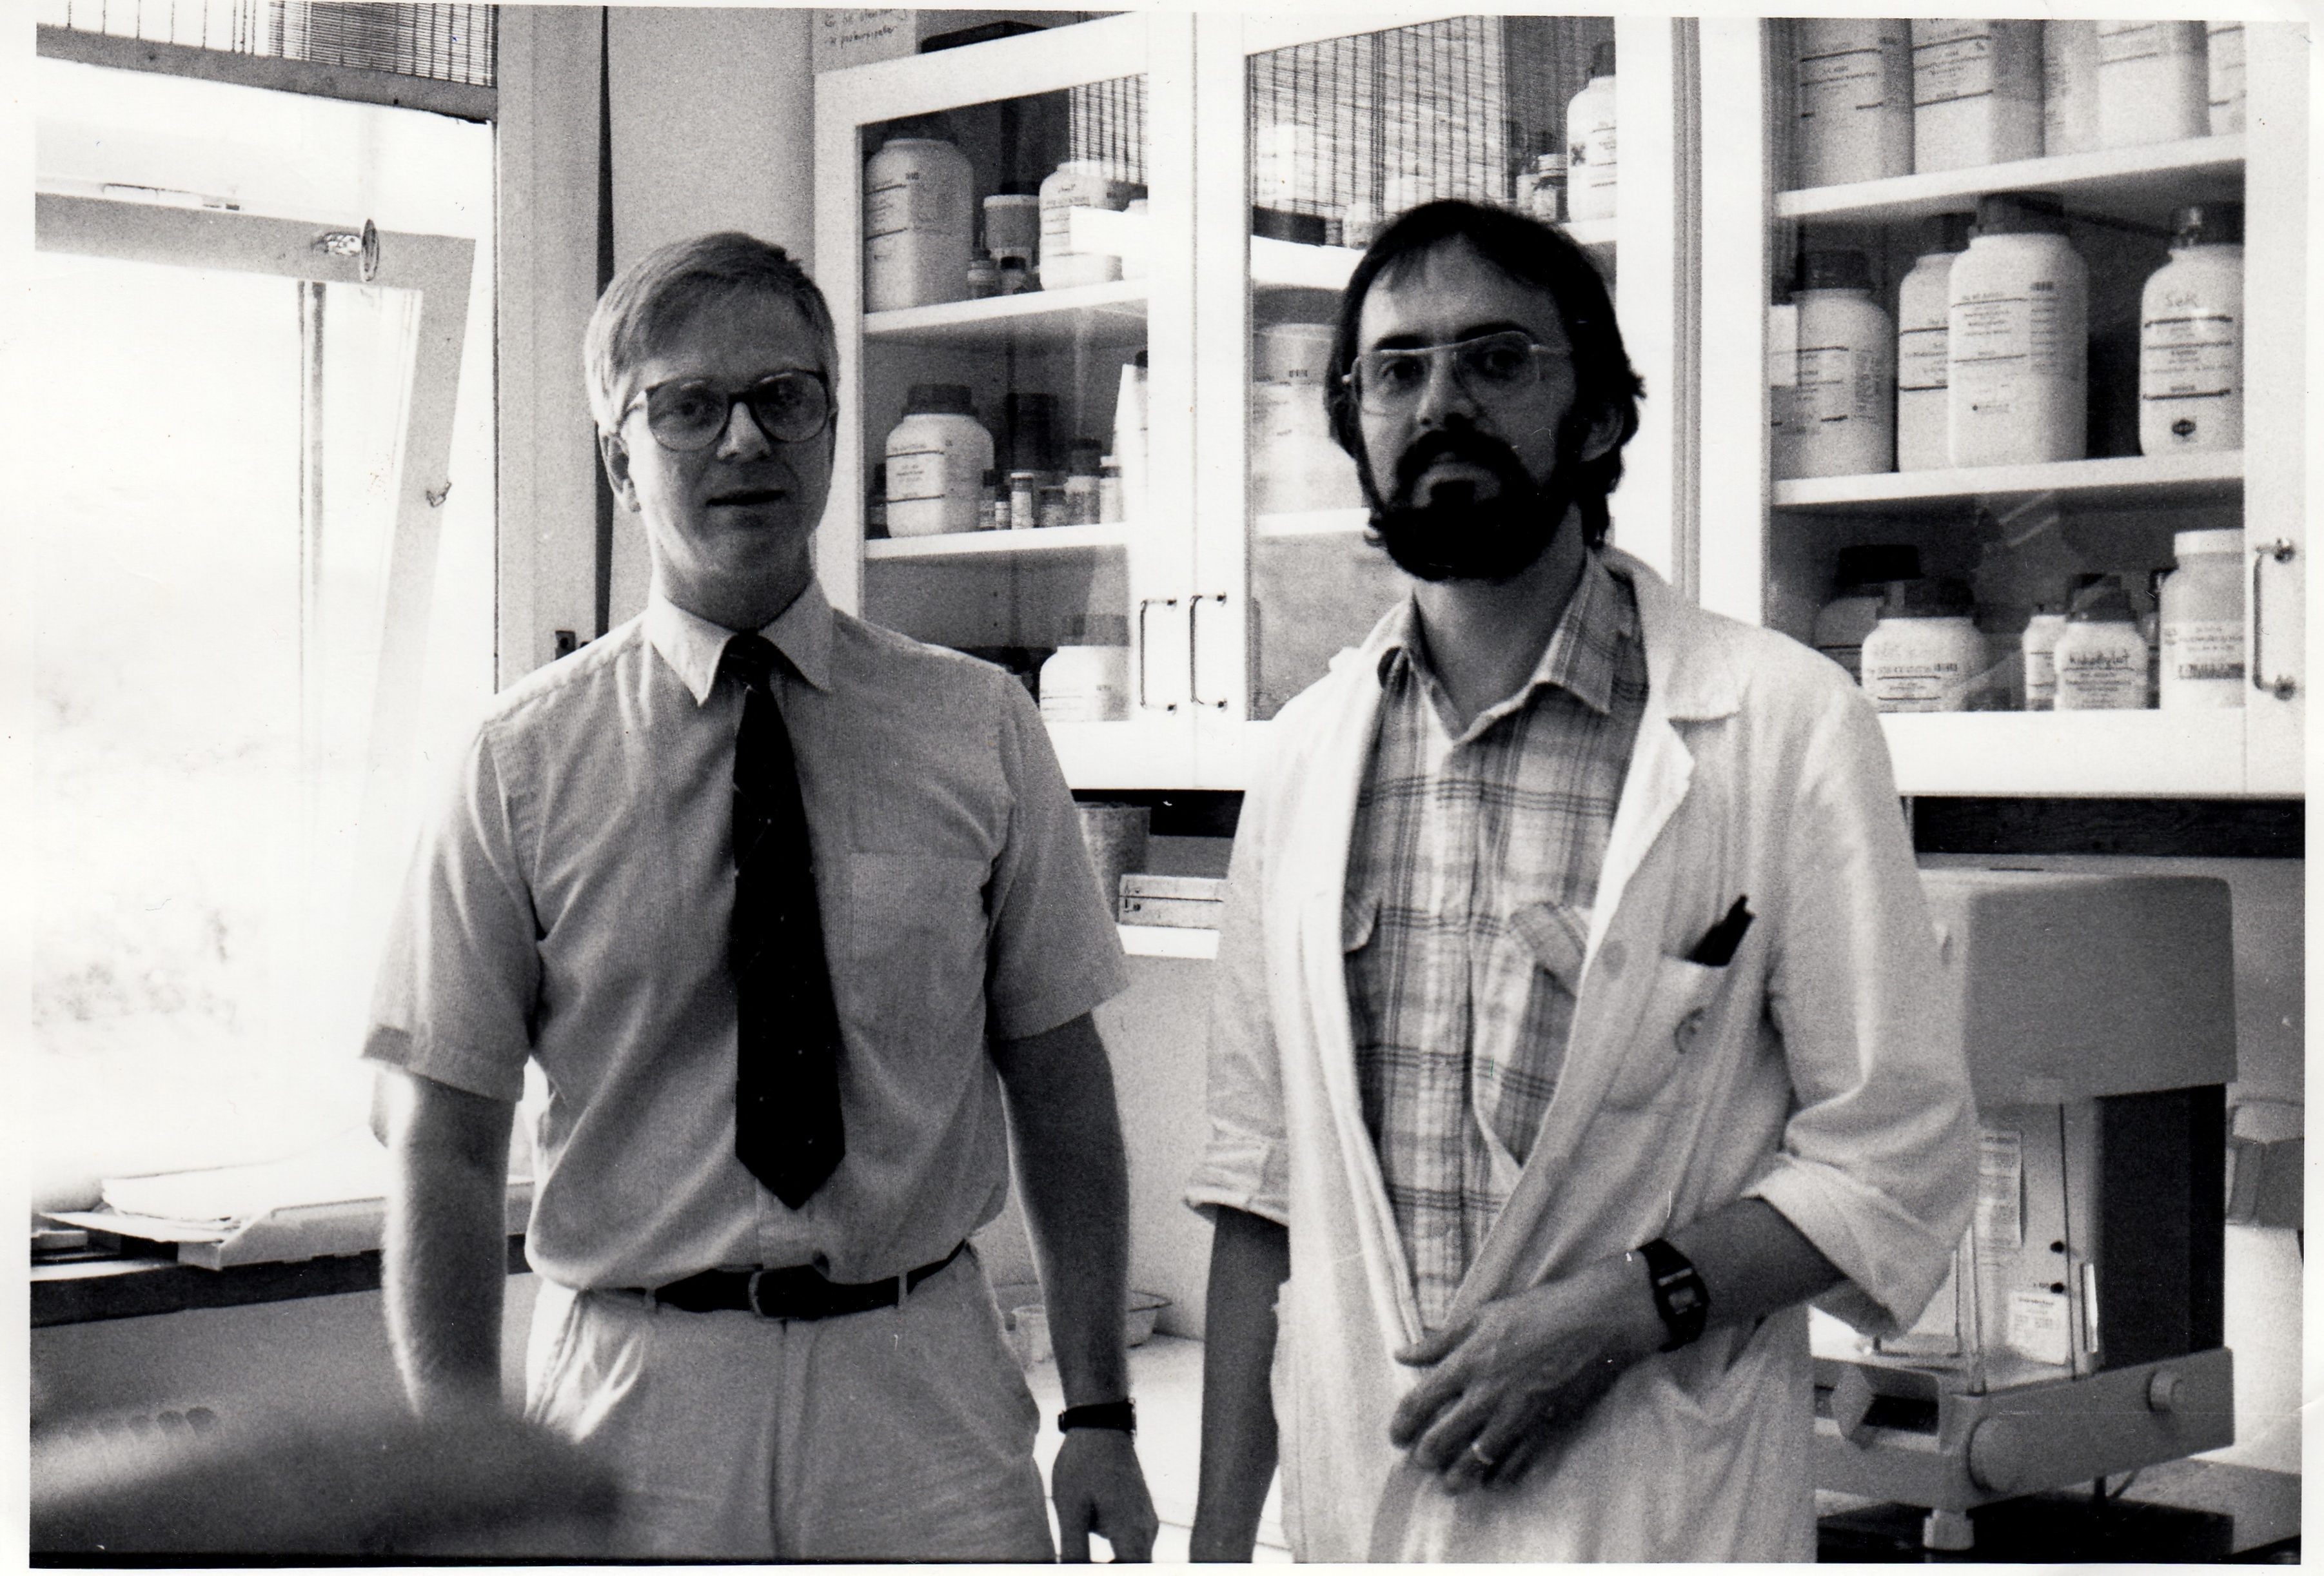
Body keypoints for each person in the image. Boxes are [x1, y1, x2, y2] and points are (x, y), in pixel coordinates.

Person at [1185, 200, 1976, 1562]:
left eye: (1496, 360)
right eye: (1396, 370)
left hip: (1651, 1517)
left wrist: (1616, 1312)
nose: (1440, 403)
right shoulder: (1304, 760)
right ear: (1354, 425)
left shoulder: (1780, 726)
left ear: (1599, 414)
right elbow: (1261, 1195)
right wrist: (1211, 1544)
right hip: (1362, 1524)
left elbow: (1894, 1164)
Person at [366, 231, 1158, 1562]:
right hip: (634, 1399)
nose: (744, 439)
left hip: (923, 1391)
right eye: (687, 406)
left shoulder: (980, 728)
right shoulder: (517, 763)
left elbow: (1060, 1082)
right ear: (620, 462)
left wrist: (1100, 1410)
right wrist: (462, 1472)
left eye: (784, 398)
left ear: (832, 431)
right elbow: (443, 1138)